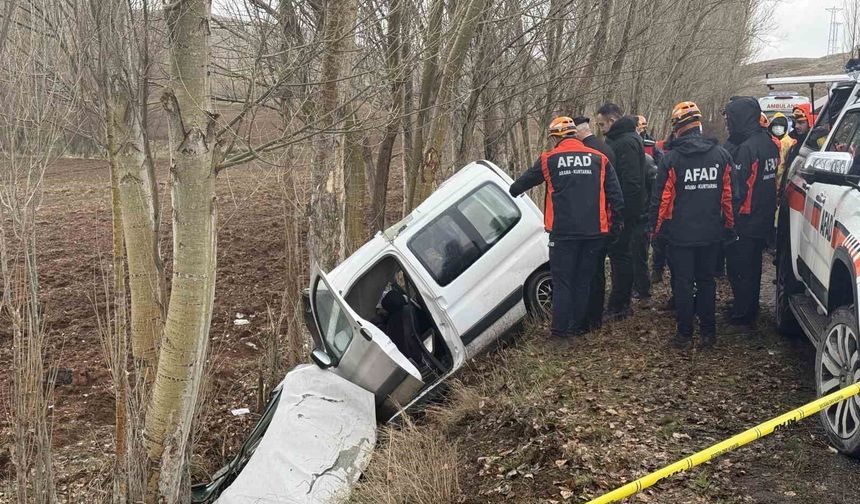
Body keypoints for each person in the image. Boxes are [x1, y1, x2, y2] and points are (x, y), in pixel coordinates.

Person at [510, 116, 625, 338]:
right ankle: (577, 327)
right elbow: (617, 198)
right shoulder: (599, 159)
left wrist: (514, 190)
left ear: (556, 138)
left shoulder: (549, 159)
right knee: (583, 281)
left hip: (563, 234)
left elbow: (519, 186)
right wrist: (615, 225)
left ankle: (560, 333)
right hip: (594, 233)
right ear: (575, 134)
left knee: (563, 282)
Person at [649, 101, 736, 349]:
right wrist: (730, 227)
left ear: (677, 128)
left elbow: (662, 200)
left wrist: (656, 232)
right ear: (698, 125)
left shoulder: (671, 159)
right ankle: (708, 333)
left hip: (680, 235)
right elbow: (729, 197)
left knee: (683, 283)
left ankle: (684, 335)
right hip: (711, 233)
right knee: (707, 281)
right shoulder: (721, 155)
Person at [723, 96, 780, 328]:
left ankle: (743, 312)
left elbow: (739, 188)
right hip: (763, 215)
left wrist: (730, 219)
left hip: (745, 219)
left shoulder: (746, 148)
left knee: (740, 267)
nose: (728, 124)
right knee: (754, 265)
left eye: (730, 118)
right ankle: (748, 305)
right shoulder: (768, 142)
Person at [596, 103, 648, 319]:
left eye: (602, 124)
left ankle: (620, 305)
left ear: (612, 120)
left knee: (621, 256)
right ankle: (619, 302)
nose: (601, 129)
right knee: (620, 255)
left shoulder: (625, 142)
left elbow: (631, 181)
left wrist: (622, 213)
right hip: (623, 209)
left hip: (626, 210)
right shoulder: (621, 139)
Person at [573, 116, 615, 331]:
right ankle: (596, 317)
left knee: (586, 272)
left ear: (578, 132)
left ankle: (586, 319)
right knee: (598, 271)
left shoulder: (585, 154)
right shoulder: (605, 149)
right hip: (604, 220)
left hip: (589, 221)